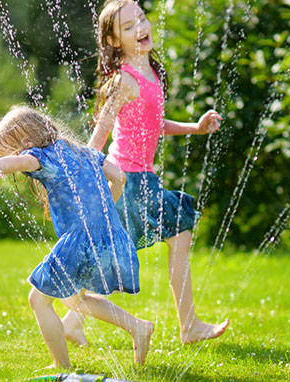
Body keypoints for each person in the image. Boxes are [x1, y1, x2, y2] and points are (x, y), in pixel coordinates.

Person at [63, 0, 229, 346]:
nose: (140, 27)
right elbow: (103, 126)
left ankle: (71, 319)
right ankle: (189, 326)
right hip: (127, 180)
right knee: (172, 237)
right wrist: (87, 167)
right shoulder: (125, 79)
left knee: (109, 253)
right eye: (127, 26)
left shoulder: (151, 72)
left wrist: (195, 128)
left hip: (140, 178)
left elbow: (152, 125)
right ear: (111, 41)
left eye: (141, 18)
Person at [0, 105, 153, 368]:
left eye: (13, 150)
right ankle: (137, 326)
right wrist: (103, 210)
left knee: (38, 300)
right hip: (111, 237)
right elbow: (120, 177)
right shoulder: (85, 152)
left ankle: (62, 367)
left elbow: (12, 164)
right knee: (74, 298)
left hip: (81, 241)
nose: (18, 158)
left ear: (27, 142)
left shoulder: (40, 156)